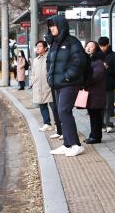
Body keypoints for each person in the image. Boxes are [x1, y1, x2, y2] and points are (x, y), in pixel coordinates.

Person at [46, 15, 87, 157]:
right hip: (57, 84)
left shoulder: (72, 42)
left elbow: (79, 62)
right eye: (50, 26)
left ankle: (76, 145)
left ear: (61, 26)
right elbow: (49, 63)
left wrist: (67, 76)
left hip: (69, 83)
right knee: (59, 111)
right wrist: (50, 77)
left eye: (53, 25)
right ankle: (67, 144)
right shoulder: (54, 44)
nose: (51, 28)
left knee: (64, 111)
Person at [83, 41, 106, 144]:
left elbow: (95, 76)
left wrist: (85, 82)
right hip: (90, 93)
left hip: (96, 94)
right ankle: (93, 135)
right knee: (92, 115)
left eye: (91, 46)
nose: (88, 48)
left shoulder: (98, 61)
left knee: (96, 116)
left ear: (95, 49)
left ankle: (96, 137)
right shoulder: (88, 60)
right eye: (87, 46)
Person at [98, 36, 115, 133]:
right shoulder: (97, 55)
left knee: (109, 105)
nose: (102, 48)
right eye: (101, 46)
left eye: (104, 46)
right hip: (98, 85)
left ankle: (109, 124)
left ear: (108, 45)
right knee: (100, 106)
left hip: (110, 85)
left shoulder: (114, 56)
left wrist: (107, 67)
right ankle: (102, 124)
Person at [30, 40, 54, 132]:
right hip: (38, 86)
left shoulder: (50, 58)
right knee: (42, 105)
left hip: (48, 86)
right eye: (37, 46)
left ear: (45, 48)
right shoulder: (35, 60)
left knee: (53, 106)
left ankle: (58, 124)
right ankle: (47, 123)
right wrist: (32, 81)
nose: (37, 48)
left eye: (40, 46)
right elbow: (33, 73)